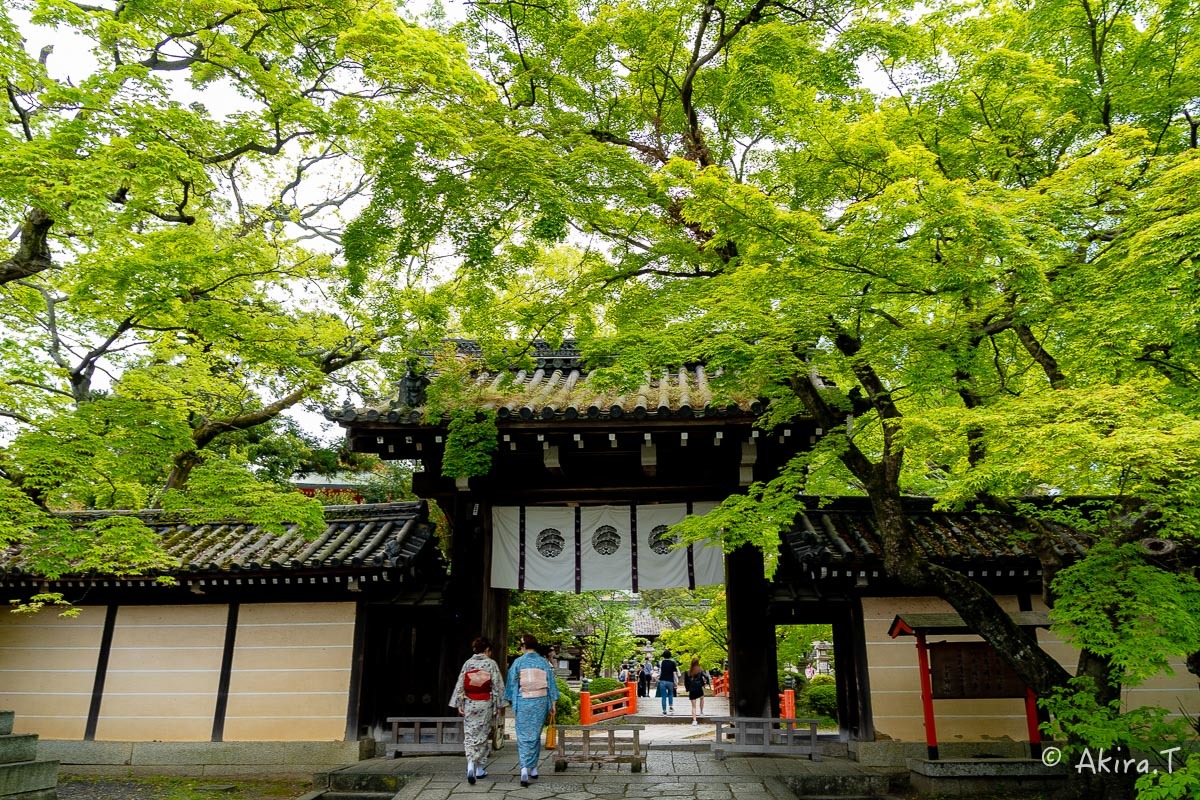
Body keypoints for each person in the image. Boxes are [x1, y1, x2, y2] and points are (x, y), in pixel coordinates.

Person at [449, 636, 506, 785]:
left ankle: (470, 765)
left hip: (469, 703)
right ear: (487, 650)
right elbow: (498, 686)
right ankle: (479, 768)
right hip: (485, 703)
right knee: (483, 734)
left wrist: (459, 702)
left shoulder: (468, 663)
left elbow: (460, 684)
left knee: (470, 733)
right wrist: (500, 705)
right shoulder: (490, 664)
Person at [505, 634, 560, 787]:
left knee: (523, 736)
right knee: (535, 735)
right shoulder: (543, 662)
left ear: (523, 646)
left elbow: (511, 685)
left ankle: (524, 768)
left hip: (523, 701)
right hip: (540, 701)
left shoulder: (518, 662)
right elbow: (551, 684)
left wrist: (512, 701)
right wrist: (552, 704)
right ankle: (534, 768)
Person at [684, 657, 710, 724]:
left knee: (693, 706)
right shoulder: (700, 670)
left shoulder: (687, 672)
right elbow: (706, 677)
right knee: (701, 698)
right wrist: (706, 683)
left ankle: (694, 721)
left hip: (692, 689)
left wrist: (687, 689)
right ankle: (701, 712)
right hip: (699, 688)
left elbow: (686, 682)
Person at [657, 649, 680, 715]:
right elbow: (674, 673)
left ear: (663, 656)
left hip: (662, 680)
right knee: (670, 694)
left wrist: (658, 678)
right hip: (670, 681)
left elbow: (660, 672)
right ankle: (670, 706)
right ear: (670, 656)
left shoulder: (661, 662)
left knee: (663, 696)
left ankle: (664, 710)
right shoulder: (673, 663)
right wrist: (676, 681)